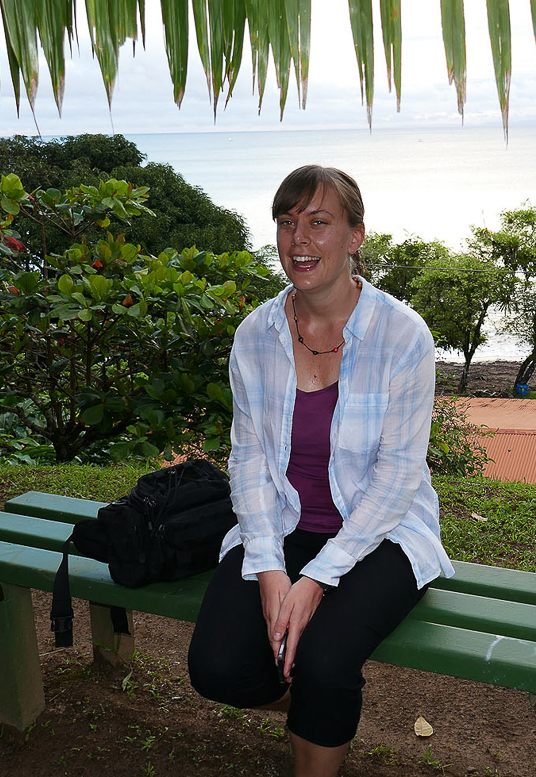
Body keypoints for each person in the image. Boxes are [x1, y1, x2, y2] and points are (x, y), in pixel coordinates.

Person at [187, 165, 454, 777]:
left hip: (379, 533)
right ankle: (313, 709)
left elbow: (397, 477)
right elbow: (249, 459)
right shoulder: (255, 334)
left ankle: (318, 726)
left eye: (318, 222)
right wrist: (270, 566)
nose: (299, 239)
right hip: (283, 523)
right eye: (286, 223)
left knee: (327, 661)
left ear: (356, 236)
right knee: (218, 669)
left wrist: (317, 580)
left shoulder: (402, 334)